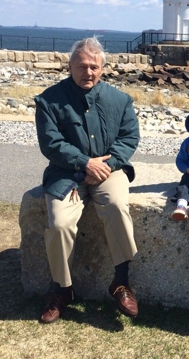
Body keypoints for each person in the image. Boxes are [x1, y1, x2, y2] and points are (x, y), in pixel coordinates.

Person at [34, 37, 141, 324]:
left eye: (94, 67)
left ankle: (120, 283)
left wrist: (107, 163)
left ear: (102, 69)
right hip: (66, 172)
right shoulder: (49, 100)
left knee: (117, 206)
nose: (88, 72)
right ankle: (62, 289)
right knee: (58, 223)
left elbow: (130, 137)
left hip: (109, 170)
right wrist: (84, 163)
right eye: (81, 66)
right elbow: (50, 143)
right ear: (69, 66)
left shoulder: (120, 100)